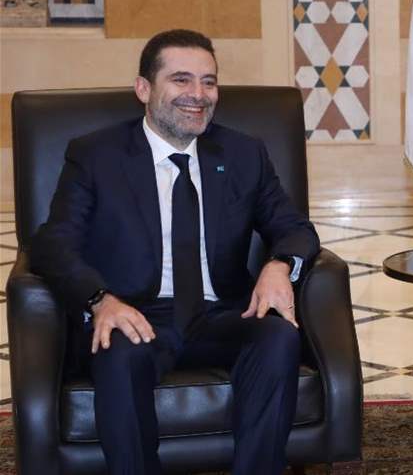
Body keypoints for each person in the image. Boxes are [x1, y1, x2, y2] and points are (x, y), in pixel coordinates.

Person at [31, 29, 320, 475]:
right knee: (117, 349)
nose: (198, 95)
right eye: (181, 80)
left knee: (278, 336)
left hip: (221, 313)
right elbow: (53, 243)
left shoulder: (243, 154)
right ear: (144, 89)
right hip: (135, 313)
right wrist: (100, 299)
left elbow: (295, 228)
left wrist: (279, 265)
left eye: (209, 82)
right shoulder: (96, 155)